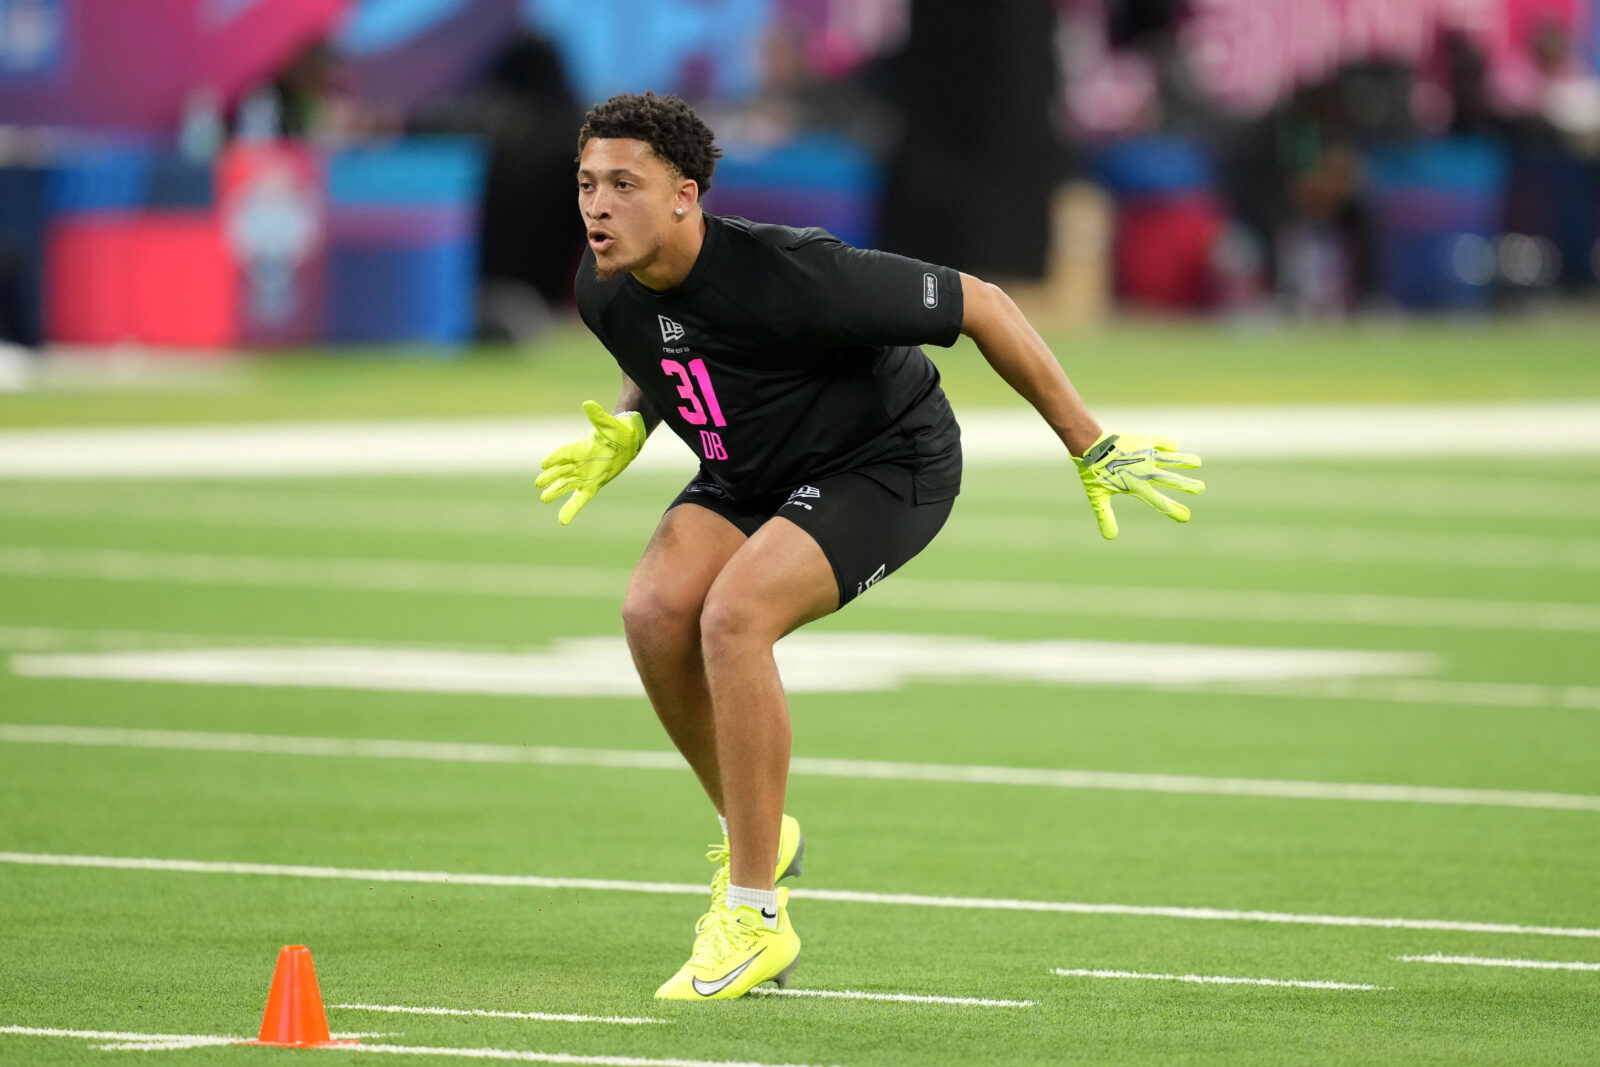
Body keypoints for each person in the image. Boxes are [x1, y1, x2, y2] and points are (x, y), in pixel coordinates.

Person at [537, 91, 1204, 1001]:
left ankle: (753, 913)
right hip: (751, 465)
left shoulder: (793, 271)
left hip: (884, 463)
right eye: (587, 183)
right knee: (652, 612)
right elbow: (664, 345)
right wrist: (628, 421)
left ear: (686, 196)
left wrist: (1089, 442)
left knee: (734, 616)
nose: (598, 204)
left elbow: (984, 305)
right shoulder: (601, 284)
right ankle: (757, 829)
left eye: (624, 183)